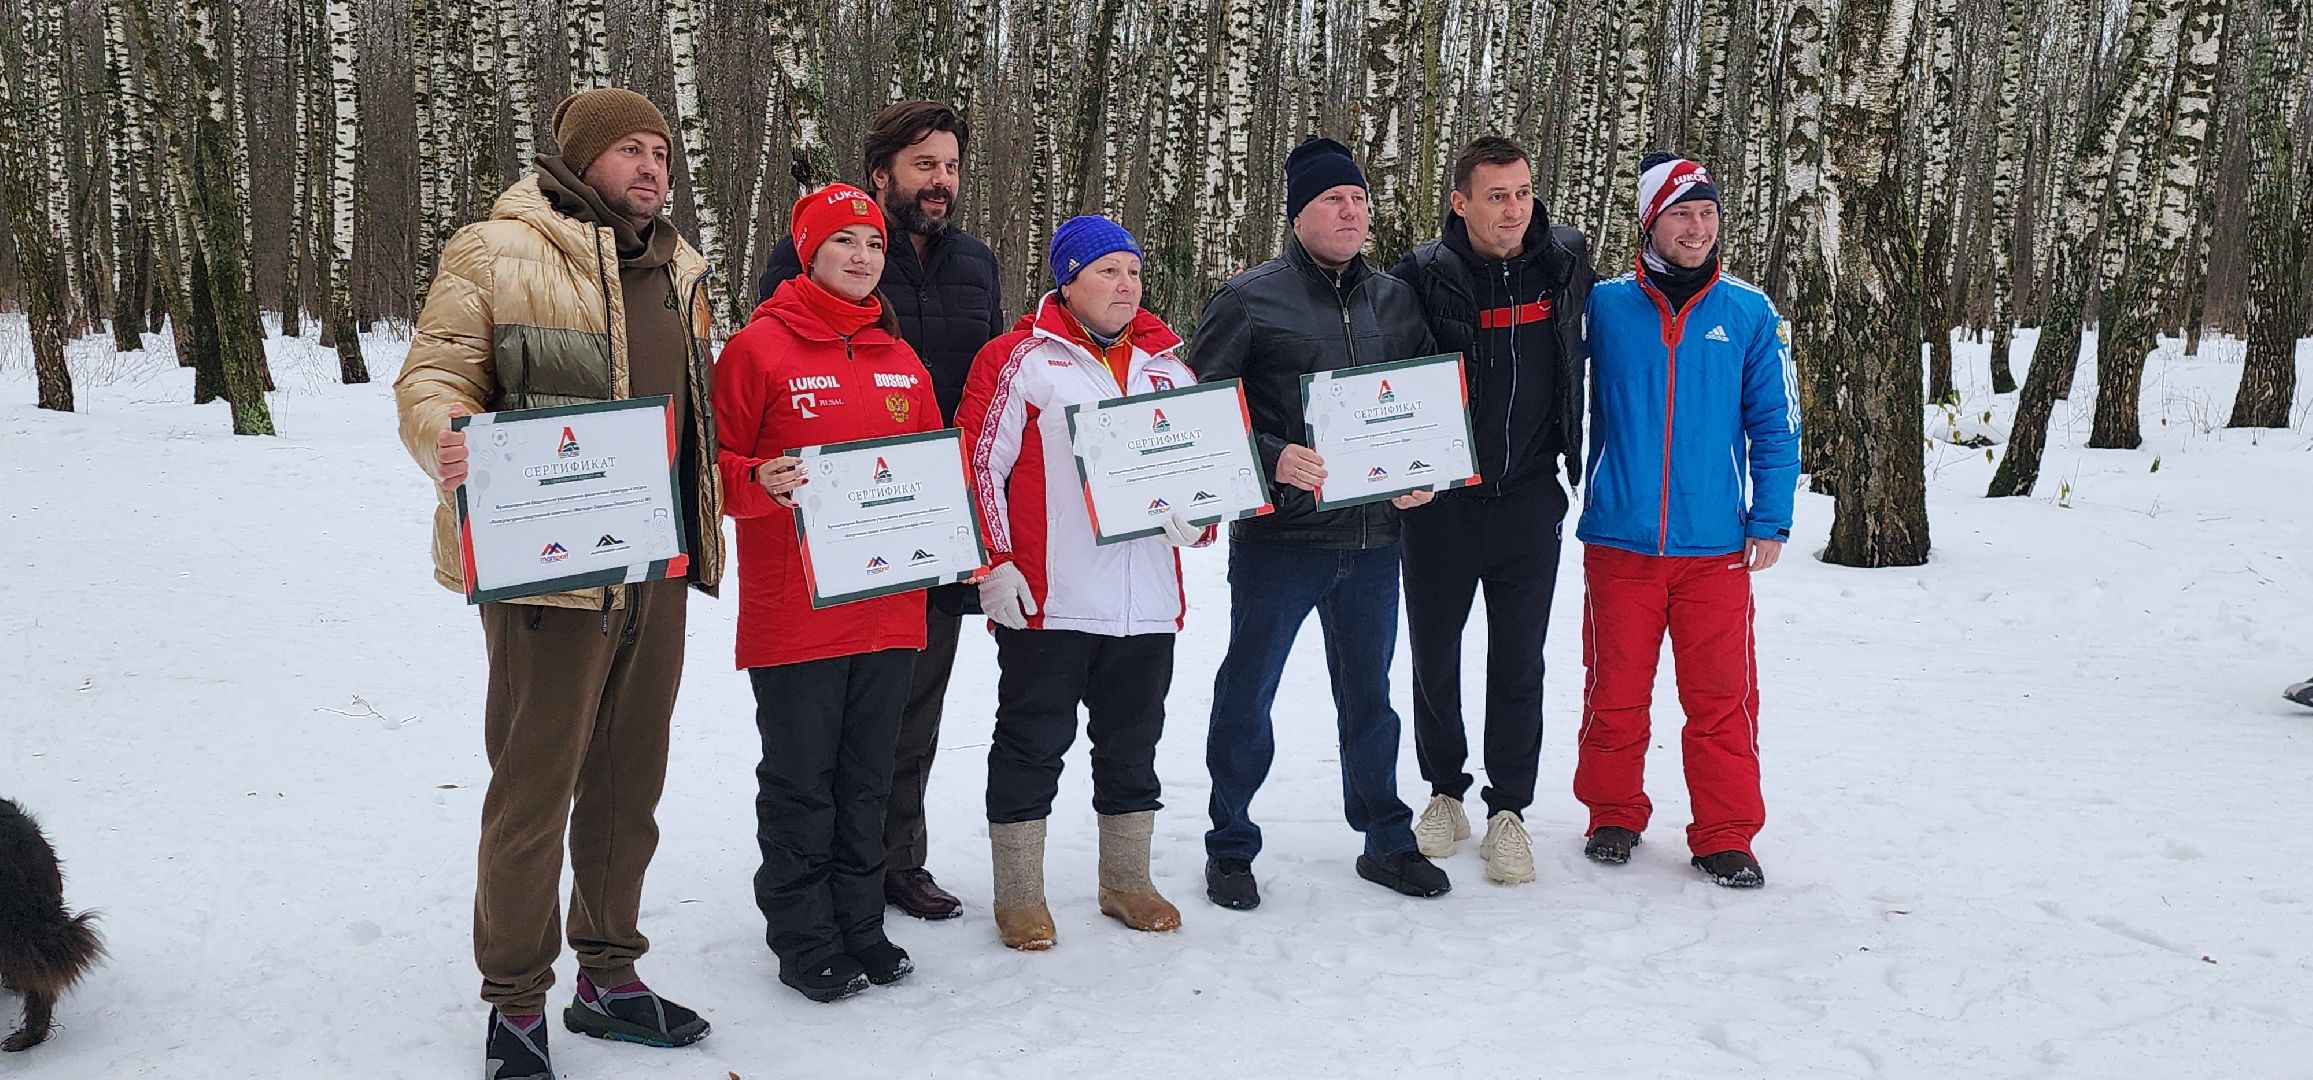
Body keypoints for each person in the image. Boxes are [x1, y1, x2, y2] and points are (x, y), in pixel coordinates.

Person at [393, 87, 723, 1080]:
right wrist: (447, 436)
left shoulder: (684, 270)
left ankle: (610, 975)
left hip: (656, 566)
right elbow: (432, 375)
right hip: (547, 569)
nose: (653, 166)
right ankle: (516, 1002)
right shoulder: (497, 249)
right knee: (536, 786)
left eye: (662, 151)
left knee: (631, 782)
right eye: (631, 149)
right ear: (582, 159)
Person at [757, 102, 1006, 921]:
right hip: (832, 534)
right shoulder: (823, 257)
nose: (940, 182)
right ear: (881, 174)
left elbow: (992, 385)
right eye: (923, 166)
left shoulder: (976, 264)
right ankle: (822, 874)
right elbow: (773, 376)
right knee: (825, 724)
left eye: (950, 167)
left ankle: (894, 861)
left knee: (914, 706)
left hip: (934, 522)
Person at [1189, 136, 1447, 910]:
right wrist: (1270, 453)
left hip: (1373, 541)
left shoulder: (1396, 300)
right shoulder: (1247, 298)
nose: (1351, 211)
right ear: (1297, 212)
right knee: (1248, 693)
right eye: (1334, 199)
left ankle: (1386, 840)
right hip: (1281, 542)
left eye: (1360, 200)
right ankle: (1229, 845)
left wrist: (1421, 473)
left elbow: (1425, 401)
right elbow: (1198, 410)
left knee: (1370, 698)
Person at [955, 216, 1212, 949]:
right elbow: (979, 464)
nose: (1125, 284)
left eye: (1132, 270)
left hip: (1145, 606)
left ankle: (1126, 882)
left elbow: (1203, 474)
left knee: (1133, 746)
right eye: (1106, 271)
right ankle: (1020, 895)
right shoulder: (1023, 361)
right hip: (1051, 601)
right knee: (1031, 745)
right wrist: (994, 560)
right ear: (1067, 281)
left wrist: (1199, 520)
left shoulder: (1169, 369)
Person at [714, 183, 941, 1001]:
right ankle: (803, 933)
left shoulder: (898, 357)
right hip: (796, 612)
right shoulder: (758, 349)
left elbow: (927, 473)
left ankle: (859, 921)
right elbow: (712, 472)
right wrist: (755, 479)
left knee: (869, 776)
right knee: (803, 779)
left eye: (874, 244)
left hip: (888, 607)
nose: (861, 257)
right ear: (808, 252)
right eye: (843, 241)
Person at [1573, 152, 1800, 889]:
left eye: (1706, 213)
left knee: (1721, 698)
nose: (1697, 228)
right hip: (1619, 538)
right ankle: (1611, 811)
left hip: (1714, 547)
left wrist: (1769, 516)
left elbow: (1774, 420)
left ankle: (1725, 832)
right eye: (1680, 214)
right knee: (1613, 690)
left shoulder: (1747, 311)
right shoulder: (1604, 306)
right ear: (1650, 222)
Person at [1389, 136, 1594, 885]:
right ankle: (1445, 793)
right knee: (1434, 657)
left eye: (1523, 191)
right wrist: (1395, 471)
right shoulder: (1418, 275)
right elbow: (1387, 379)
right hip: (1440, 505)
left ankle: (1509, 809)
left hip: (1531, 495)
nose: (1514, 208)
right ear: (1460, 202)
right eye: (1497, 195)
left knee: (1518, 661)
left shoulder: (1565, 260)